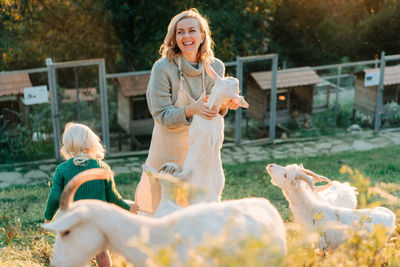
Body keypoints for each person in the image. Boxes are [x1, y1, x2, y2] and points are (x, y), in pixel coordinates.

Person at [135, 8, 240, 214]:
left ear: (202, 36)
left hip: (198, 154)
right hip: (167, 149)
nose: (186, 36)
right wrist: (192, 109)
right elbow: (161, 115)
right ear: (173, 38)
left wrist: (225, 105)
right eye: (180, 32)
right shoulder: (163, 68)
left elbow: (213, 111)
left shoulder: (216, 67)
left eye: (192, 30)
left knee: (193, 212)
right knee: (162, 212)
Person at [43, 122, 138, 267]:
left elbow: (55, 197)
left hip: (73, 222)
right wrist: (128, 208)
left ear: (67, 145)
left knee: (74, 255)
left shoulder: (62, 169)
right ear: (92, 142)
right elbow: (113, 198)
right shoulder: (102, 167)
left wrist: (48, 217)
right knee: (101, 252)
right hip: (97, 222)